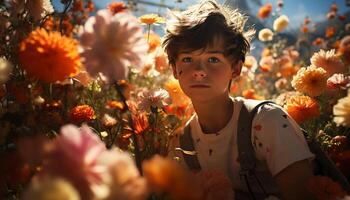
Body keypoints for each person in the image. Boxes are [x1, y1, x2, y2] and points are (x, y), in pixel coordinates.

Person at [163, 0, 316, 199]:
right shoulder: (181, 142)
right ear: (175, 69)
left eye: (213, 59)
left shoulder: (267, 121)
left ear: (236, 68)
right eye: (187, 59)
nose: (199, 72)